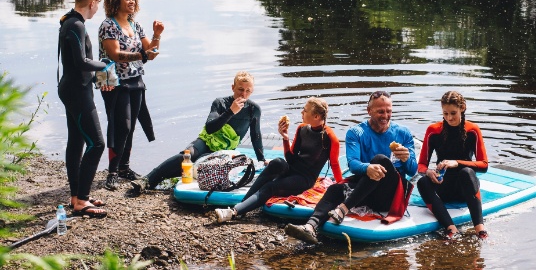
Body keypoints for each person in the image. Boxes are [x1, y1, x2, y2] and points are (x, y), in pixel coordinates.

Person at [284, 91, 418, 244]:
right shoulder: (356, 132)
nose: (385, 115)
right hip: (363, 192)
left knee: (381, 160)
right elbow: (353, 164)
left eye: (389, 111)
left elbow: (413, 170)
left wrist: (406, 159)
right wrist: (367, 168)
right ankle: (309, 227)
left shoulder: (403, 133)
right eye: (380, 111)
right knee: (334, 189)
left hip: (388, 195)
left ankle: (343, 209)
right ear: (369, 111)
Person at [130, 71, 268, 193]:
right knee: (187, 156)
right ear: (233, 87)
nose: (243, 94)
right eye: (240, 89)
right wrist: (231, 111)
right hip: (206, 140)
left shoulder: (253, 109)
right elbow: (210, 128)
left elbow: (255, 135)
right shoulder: (220, 103)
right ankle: (147, 180)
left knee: (199, 166)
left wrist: (262, 159)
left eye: (248, 91)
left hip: (226, 148)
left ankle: (157, 179)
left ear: (252, 91)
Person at [215, 97, 344, 223]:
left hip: (304, 179)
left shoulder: (330, 137)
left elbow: (335, 165)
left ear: (316, 116)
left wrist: (342, 189)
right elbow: (291, 159)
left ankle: (233, 212)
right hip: (292, 169)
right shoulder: (302, 128)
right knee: (277, 162)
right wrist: (285, 138)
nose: (301, 112)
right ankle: (243, 204)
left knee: (270, 187)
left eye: (305, 110)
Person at [98, 0, 163, 190]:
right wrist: (141, 54)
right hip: (114, 83)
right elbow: (115, 54)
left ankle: (125, 168)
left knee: (131, 126)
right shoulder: (108, 25)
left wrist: (157, 36)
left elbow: (150, 54)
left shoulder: (136, 25)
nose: (132, 1)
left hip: (136, 81)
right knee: (121, 126)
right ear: (116, 1)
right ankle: (113, 172)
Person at [57, 0, 109, 218]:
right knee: (97, 143)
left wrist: (101, 79)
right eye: (98, 3)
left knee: (77, 142)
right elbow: (81, 62)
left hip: (74, 89)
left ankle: (76, 196)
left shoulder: (71, 22)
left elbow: (80, 63)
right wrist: (108, 64)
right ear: (92, 2)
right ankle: (82, 201)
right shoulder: (75, 24)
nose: (98, 7)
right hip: (77, 91)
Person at [416, 91, 489, 240]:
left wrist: (457, 163)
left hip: (465, 188)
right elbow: (421, 165)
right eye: (445, 113)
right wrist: (429, 172)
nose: (449, 118)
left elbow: (484, 165)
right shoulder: (433, 131)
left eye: (453, 113)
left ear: (463, 107)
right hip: (443, 187)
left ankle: (480, 230)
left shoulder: (473, 130)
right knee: (422, 182)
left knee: (467, 172)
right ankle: (451, 229)